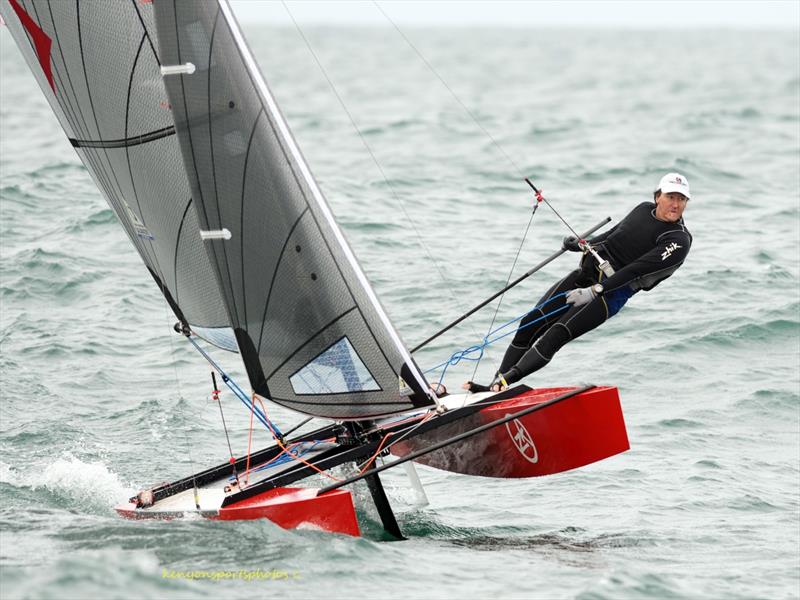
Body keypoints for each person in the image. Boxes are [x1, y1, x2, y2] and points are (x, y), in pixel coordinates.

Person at [463, 172, 693, 393]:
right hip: (584, 275)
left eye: (681, 199)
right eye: (670, 197)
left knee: (556, 334)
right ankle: (494, 386)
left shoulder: (678, 240)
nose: (675, 204)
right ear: (657, 197)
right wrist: (582, 243)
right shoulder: (643, 209)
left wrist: (596, 290)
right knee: (530, 324)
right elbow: (612, 235)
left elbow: (636, 270)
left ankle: (503, 383)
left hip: (609, 294)